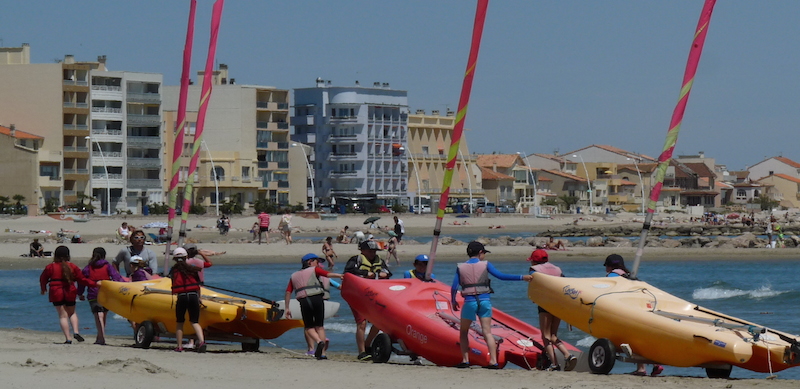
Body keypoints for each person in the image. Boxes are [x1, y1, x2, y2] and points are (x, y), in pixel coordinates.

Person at [451, 241, 532, 369]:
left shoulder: (461, 267)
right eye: (484, 253)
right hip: (484, 301)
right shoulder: (486, 265)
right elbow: (501, 276)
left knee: (464, 331)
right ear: (480, 253)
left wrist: (453, 300)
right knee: (487, 332)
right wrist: (522, 277)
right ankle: (493, 361)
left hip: (470, 302)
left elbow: (454, 286)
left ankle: (465, 360)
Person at [604, 254, 664, 377]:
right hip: (639, 309)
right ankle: (653, 364)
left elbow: (606, 292)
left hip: (624, 311)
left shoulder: (612, 275)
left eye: (606, 266)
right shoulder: (630, 275)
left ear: (609, 266)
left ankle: (643, 368)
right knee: (639, 338)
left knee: (631, 339)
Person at [285, 253, 343, 360]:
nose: (318, 263)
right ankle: (323, 353)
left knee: (308, 327)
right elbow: (328, 275)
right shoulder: (315, 270)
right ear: (310, 262)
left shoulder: (294, 275)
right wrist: (340, 275)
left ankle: (318, 342)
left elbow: (288, 291)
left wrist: (287, 308)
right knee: (320, 326)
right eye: (316, 261)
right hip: (317, 299)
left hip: (304, 301)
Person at [526, 249, 577, 371]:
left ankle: (556, 363)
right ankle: (567, 355)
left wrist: (534, 299)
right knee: (553, 335)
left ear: (534, 261)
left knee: (546, 336)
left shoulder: (534, 270)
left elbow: (534, 286)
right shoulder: (557, 269)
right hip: (559, 304)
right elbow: (564, 285)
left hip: (545, 304)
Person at [344, 240, 393, 360]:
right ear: (362, 251)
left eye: (374, 251)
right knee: (362, 323)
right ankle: (361, 352)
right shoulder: (356, 260)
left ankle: (367, 345)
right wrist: (366, 273)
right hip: (357, 295)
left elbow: (387, 273)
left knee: (378, 323)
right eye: (370, 251)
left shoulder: (379, 261)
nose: (372, 253)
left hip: (373, 296)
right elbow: (348, 272)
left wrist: (381, 274)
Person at [39, 246, 98, 344]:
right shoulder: (72, 266)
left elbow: (43, 279)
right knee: (72, 313)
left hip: (56, 291)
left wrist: (43, 289)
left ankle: (68, 338)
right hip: (70, 290)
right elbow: (82, 280)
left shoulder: (50, 267)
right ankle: (76, 331)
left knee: (63, 316)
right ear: (68, 255)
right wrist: (95, 284)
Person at [78, 247, 124, 345]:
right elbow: (116, 277)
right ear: (104, 255)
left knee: (98, 315)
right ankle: (100, 337)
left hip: (93, 293)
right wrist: (123, 286)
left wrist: (80, 293)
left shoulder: (88, 267)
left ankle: (101, 337)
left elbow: (82, 281)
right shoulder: (107, 266)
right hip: (106, 293)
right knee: (103, 315)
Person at [169, 247, 206, 353]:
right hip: (193, 296)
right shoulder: (192, 269)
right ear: (186, 257)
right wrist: (199, 298)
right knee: (194, 321)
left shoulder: (174, 270)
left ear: (175, 259)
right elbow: (197, 286)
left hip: (182, 297)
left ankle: (179, 346)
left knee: (180, 322)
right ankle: (202, 341)